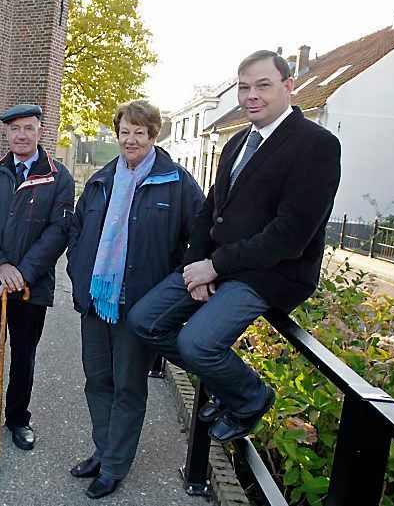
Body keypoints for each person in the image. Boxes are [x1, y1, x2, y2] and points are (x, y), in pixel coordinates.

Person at [128, 50, 341, 445]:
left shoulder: (317, 145)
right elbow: (211, 210)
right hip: (217, 263)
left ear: (288, 86)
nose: (251, 96)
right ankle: (226, 387)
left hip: (269, 272)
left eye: (263, 85)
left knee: (198, 344)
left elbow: (289, 235)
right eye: (244, 87)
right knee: (145, 321)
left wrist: (216, 267)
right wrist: (197, 267)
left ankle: (250, 398)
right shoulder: (238, 141)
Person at [66, 100, 204, 499]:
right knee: (97, 380)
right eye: (125, 131)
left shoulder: (176, 182)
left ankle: (114, 466)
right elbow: (78, 230)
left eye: (139, 133)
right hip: (96, 299)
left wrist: (171, 289)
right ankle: (104, 450)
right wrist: (78, 272)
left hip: (138, 306)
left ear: (153, 135)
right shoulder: (102, 179)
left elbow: (199, 238)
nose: (130, 139)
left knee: (127, 386)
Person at [0, 104, 74, 451]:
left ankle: (17, 418)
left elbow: (59, 231)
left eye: (28, 128)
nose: (21, 135)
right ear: (6, 134)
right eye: (14, 129)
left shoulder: (59, 177)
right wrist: (0, 267)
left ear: (41, 131)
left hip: (31, 287)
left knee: (24, 354)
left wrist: (23, 273)